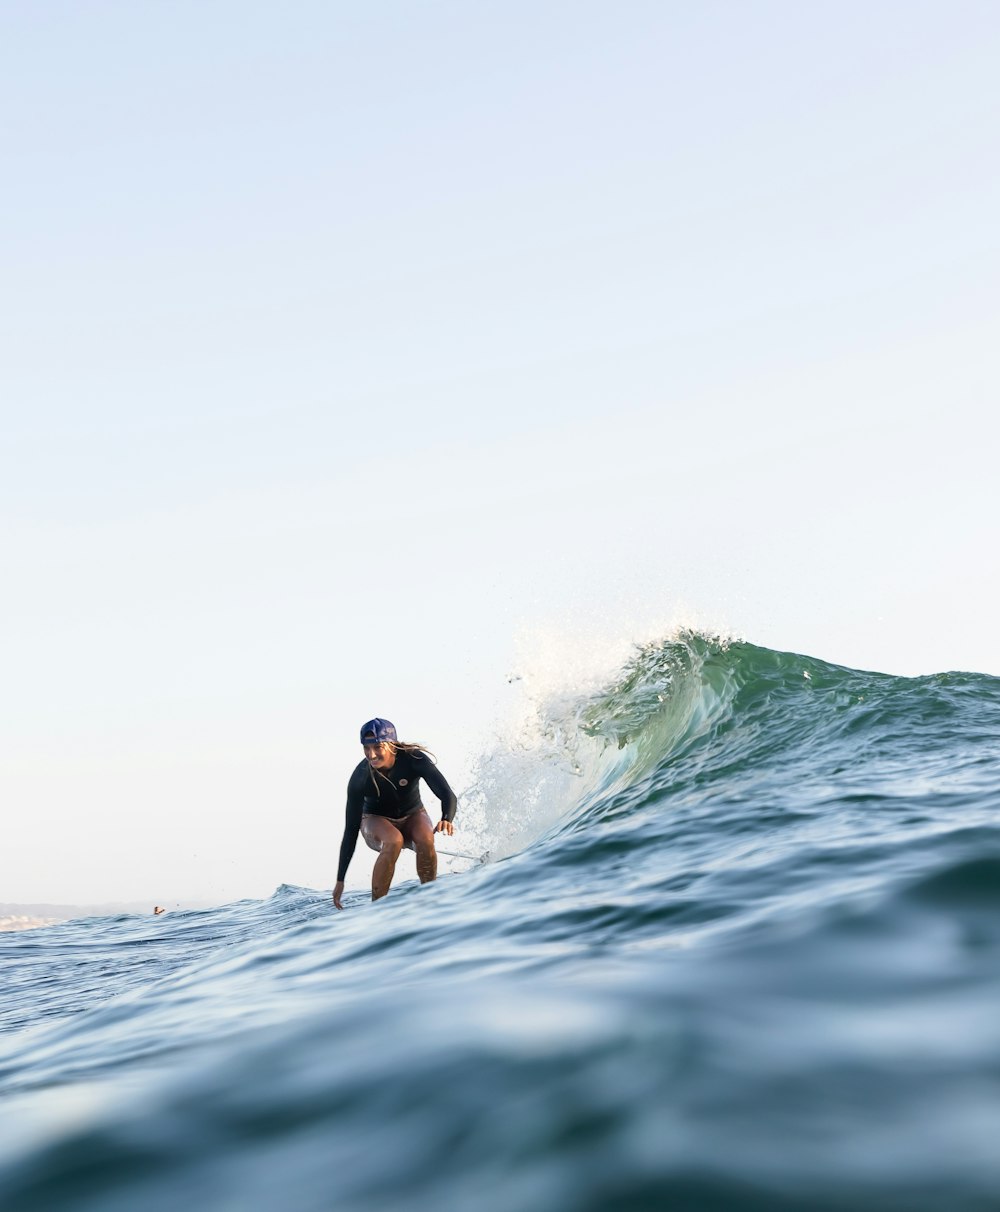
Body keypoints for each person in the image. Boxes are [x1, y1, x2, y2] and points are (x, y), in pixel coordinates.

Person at [333, 717, 457, 909]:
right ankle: (378, 908)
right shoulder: (360, 777)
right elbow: (350, 831)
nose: (371, 754)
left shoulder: (414, 759)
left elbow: (447, 794)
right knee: (394, 840)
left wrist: (447, 818)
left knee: (425, 838)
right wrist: (340, 880)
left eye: (377, 747)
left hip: (413, 815)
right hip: (375, 820)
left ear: (392, 744)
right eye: (366, 748)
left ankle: (431, 899)